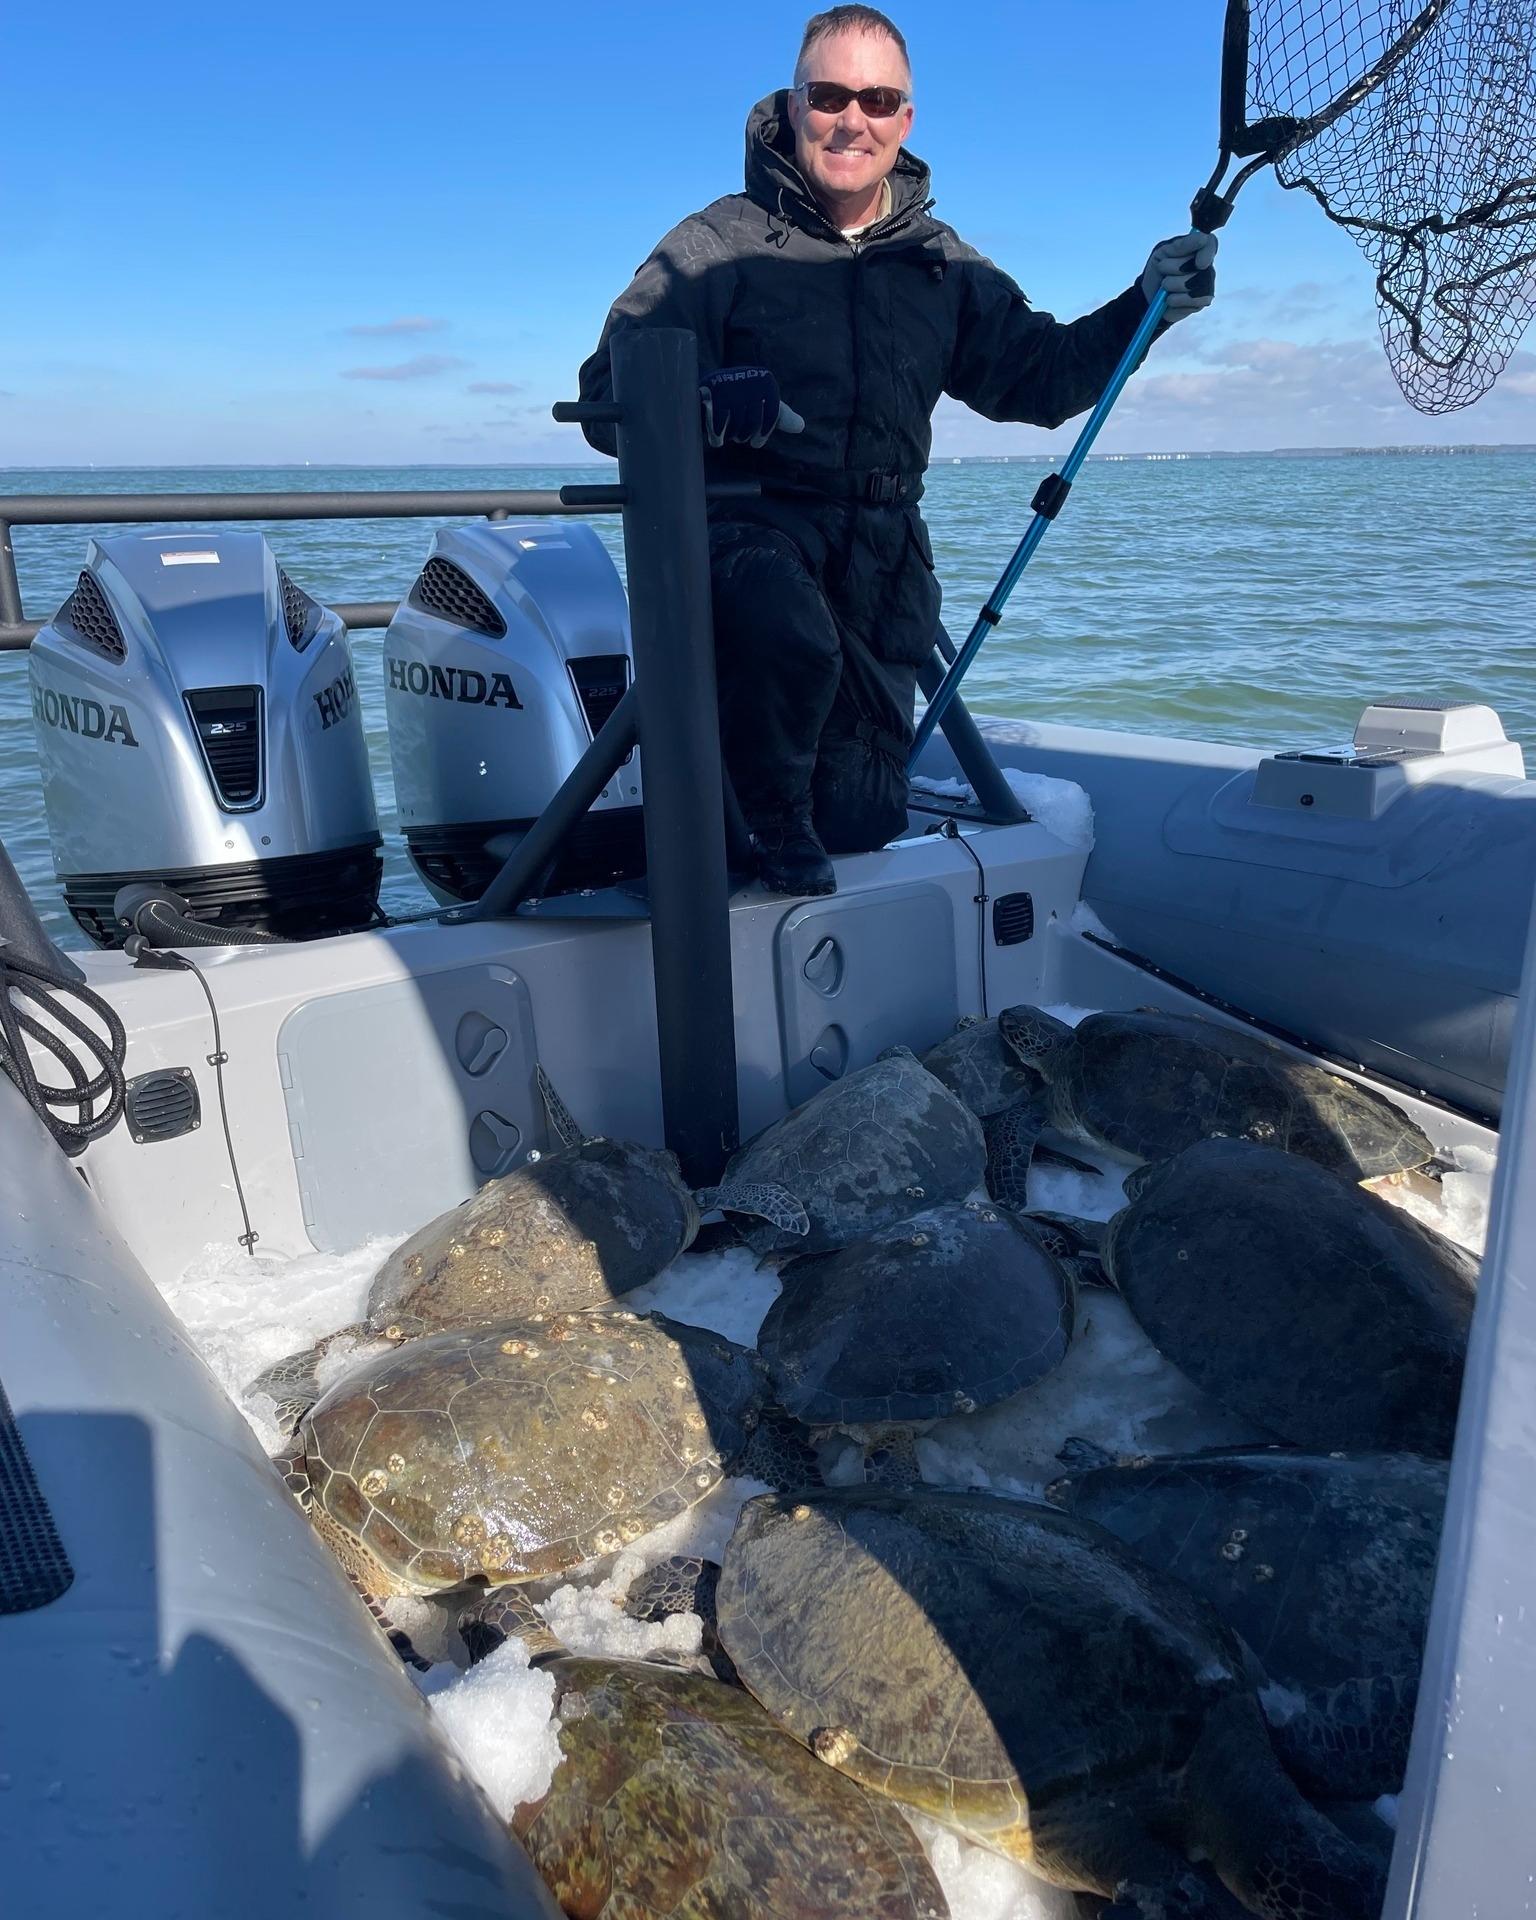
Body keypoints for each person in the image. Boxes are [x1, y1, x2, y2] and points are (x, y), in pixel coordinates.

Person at [579, 5, 1215, 896]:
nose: (853, 119)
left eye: (878, 99)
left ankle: (789, 852)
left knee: (860, 815)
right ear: (794, 106)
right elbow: (608, 396)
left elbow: (1040, 379)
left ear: (905, 119)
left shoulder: (941, 265)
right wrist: (702, 399)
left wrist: (1147, 305)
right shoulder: (710, 248)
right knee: (778, 649)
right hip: (745, 543)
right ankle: (742, 845)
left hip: (881, 567)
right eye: (831, 94)